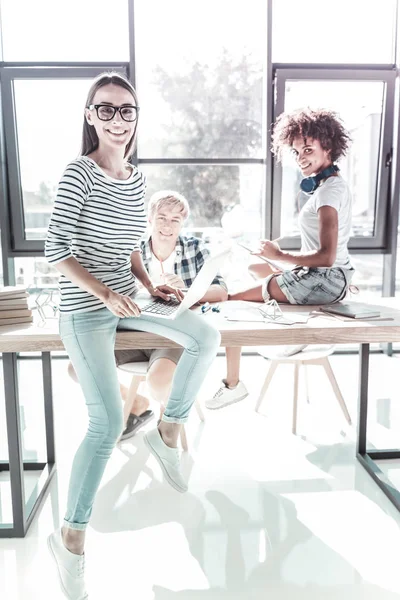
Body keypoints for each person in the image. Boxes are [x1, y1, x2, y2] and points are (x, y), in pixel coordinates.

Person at [44, 72, 221, 599]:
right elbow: (55, 250)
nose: (117, 119)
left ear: (136, 117)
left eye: (127, 110)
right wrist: (104, 293)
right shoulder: (79, 173)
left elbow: (130, 251)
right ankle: (71, 539)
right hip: (85, 307)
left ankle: (168, 430)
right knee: (104, 424)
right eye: (107, 109)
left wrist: (152, 285)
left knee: (204, 336)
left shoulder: (138, 180)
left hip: (131, 296)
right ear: (90, 115)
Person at [206, 107, 354, 410]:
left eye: (309, 149)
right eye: (297, 151)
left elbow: (326, 256)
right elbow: (333, 253)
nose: (301, 157)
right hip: (331, 277)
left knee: (231, 298)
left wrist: (280, 255)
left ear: (330, 147)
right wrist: (275, 260)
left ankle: (232, 384)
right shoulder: (327, 187)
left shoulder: (328, 193)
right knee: (253, 266)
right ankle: (275, 301)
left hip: (323, 278)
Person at [115, 189, 228, 440]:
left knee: (159, 384)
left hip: (172, 337)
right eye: (162, 218)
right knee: (76, 368)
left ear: (183, 223)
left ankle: (166, 437)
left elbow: (221, 291)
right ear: (150, 220)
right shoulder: (134, 252)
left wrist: (186, 292)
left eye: (175, 220)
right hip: (134, 330)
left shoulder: (195, 248)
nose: (167, 225)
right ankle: (135, 404)